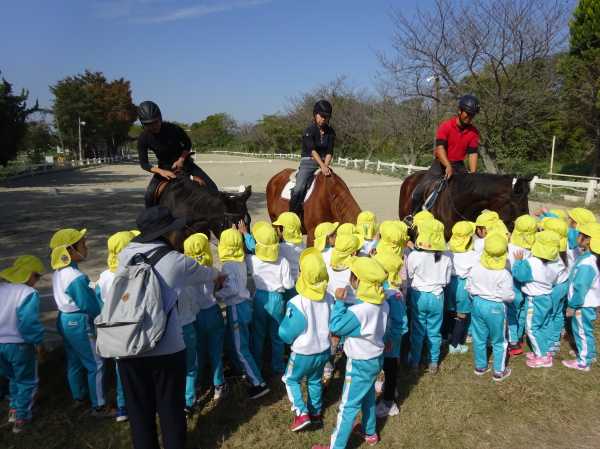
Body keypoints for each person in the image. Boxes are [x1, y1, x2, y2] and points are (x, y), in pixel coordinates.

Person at [116, 206, 221, 449]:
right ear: (166, 233)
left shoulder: (125, 254)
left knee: (139, 411)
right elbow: (208, 273)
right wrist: (218, 275)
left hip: (128, 343)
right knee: (170, 407)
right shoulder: (176, 261)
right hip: (166, 347)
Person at [313, 257, 393, 449]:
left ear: (359, 281)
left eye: (352, 276)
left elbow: (336, 326)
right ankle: (370, 432)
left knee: (347, 406)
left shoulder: (359, 311)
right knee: (367, 396)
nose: (350, 279)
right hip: (375, 359)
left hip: (359, 363)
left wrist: (340, 303)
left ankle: (336, 446)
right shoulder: (383, 304)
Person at [49, 228, 108, 417]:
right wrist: (104, 315)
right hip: (78, 323)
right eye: (83, 244)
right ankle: (99, 405)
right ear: (70, 250)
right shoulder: (75, 277)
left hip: (64, 319)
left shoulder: (59, 272)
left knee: (74, 360)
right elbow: (89, 305)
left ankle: (79, 397)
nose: (86, 247)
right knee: (96, 363)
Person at [279, 248, 332, 431]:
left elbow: (286, 333)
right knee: (315, 380)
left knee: (290, 379)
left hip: (303, 352)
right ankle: (315, 413)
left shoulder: (297, 302)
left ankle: (301, 413)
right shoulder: (329, 298)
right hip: (323, 350)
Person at [215, 228, 270, 400]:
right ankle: (242, 369)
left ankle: (258, 383)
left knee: (240, 348)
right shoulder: (241, 261)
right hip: (245, 305)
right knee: (241, 341)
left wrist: (217, 294)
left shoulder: (227, 265)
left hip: (236, 307)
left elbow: (232, 289)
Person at [137, 101, 218, 208]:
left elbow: (187, 143)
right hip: (164, 167)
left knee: (213, 188)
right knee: (149, 195)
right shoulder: (143, 138)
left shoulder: (173, 128)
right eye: (148, 124)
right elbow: (144, 164)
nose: (153, 126)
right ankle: (152, 216)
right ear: (143, 124)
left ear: (160, 118)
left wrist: (181, 159)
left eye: (155, 122)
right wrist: (161, 171)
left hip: (185, 163)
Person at [410, 95, 481, 214]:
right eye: (467, 113)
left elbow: (473, 153)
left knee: (471, 191)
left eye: (472, 115)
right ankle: (411, 216)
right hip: (440, 164)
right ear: (460, 110)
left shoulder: (474, 132)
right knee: (419, 190)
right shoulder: (446, 126)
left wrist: (473, 174)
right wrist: (447, 165)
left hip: (459, 165)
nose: (469, 117)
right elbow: (440, 148)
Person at [0, 255, 45, 433]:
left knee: (13, 377)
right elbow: (28, 323)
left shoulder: (2, 288)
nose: (37, 281)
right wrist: (38, 342)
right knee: (27, 381)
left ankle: (13, 409)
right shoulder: (28, 293)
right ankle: (22, 418)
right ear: (30, 275)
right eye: (37, 276)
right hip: (19, 345)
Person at [95, 231, 137, 422]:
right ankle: (141, 402)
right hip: (131, 326)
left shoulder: (104, 276)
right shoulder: (133, 274)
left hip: (113, 330)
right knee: (139, 366)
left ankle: (122, 407)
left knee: (121, 368)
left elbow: (99, 301)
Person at [183, 233, 227, 402]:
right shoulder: (211, 271)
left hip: (195, 316)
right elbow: (221, 280)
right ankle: (219, 384)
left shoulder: (186, 275)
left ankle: (197, 384)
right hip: (212, 311)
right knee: (216, 350)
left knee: (198, 352)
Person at [512, 230, 565, 369]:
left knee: (532, 328)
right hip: (547, 297)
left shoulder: (530, 262)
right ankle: (545, 350)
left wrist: (518, 262)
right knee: (544, 325)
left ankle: (542, 357)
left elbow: (519, 276)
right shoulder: (555, 263)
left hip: (534, 300)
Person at [247, 222, 294, 376]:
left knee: (258, 334)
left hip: (259, 298)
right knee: (277, 335)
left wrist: (245, 235)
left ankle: (257, 364)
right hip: (277, 299)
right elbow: (288, 284)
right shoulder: (283, 261)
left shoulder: (252, 260)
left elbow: (250, 249)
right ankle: (278, 366)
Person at [466, 233, 515, 381]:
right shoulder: (504, 274)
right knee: (499, 340)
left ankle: (480, 366)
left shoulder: (475, 268)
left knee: (479, 337)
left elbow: (468, 287)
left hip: (477, 303)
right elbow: (508, 296)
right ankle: (499, 371)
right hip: (496, 306)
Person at [406, 219, 452, 374]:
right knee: (435, 330)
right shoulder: (446, 257)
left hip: (418, 295)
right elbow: (446, 281)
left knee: (417, 329)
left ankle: (415, 362)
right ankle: (433, 362)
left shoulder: (414, 256)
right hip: (437, 296)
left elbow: (410, 275)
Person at [372, 252, 408, 418]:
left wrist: (391, 340)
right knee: (386, 365)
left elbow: (400, 322)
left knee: (390, 367)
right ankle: (388, 387)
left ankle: (389, 403)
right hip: (386, 338)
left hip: (391, 340)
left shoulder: (394, 294)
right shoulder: (386, 287)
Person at [562, 226, 600, 371]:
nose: (577, 237)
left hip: (582, 305)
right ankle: (589, 354)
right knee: (585, 330)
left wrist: (573, 305)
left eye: (579, 235)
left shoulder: (586, 264)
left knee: (582, 331)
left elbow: (581, 287)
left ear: (588, 240)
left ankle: (583, 362)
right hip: (587, 303)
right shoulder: (589, 258)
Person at [289, 100, 335, 216]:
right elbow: (312, 150)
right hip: (308, 162)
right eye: (321, 116)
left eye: (326, 117)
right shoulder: (309, 130)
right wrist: (322, 165)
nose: (323, 119)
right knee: (299, 188)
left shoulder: (331, 132)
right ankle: (292, 214)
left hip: (324, 163)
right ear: (315, 114)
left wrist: (326, 166)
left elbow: (329, 151)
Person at [506, 215, 537, 356]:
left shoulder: (511, 247)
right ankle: (519, 336)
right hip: (527, 286)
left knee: (511, 312)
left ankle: (513, 342)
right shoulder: (534, 248)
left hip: (512, 284)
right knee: (523, 310)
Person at [445, 221, 477, 354]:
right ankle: (455, 344)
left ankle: (448, 335)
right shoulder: (473, 255)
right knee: (462, 315)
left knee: (450, 311)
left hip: (450, 283)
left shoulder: (448, 252)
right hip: (463, 286)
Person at [272, 212, 306, 302]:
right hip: (300, 282)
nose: (277, 229)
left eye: (279, 227)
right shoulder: (302, 244)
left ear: (283, 230)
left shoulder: (281, 248)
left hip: (288, 285)